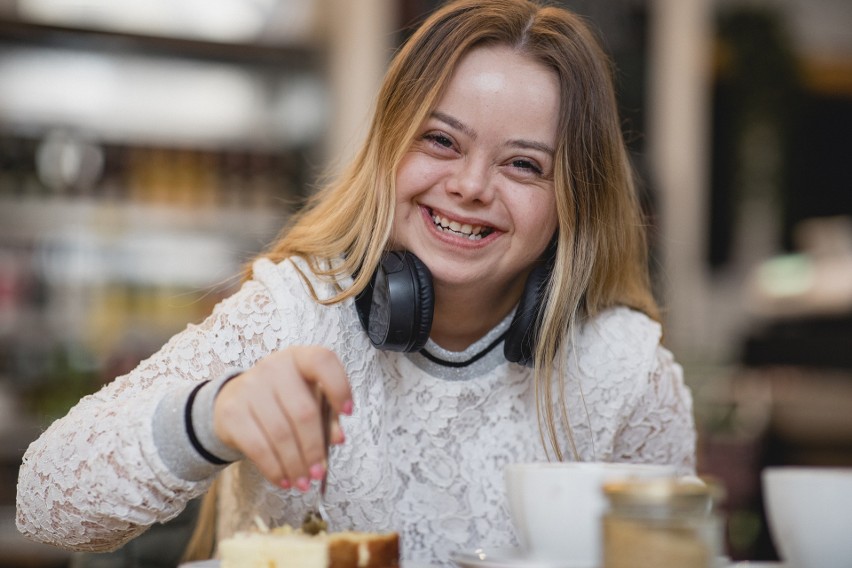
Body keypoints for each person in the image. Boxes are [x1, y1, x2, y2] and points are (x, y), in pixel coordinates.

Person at [16, 0, 697, 565]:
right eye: (441, 141)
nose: (469, 186)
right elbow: (46, 505)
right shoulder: (295, 311)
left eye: (523, 165)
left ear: (574, 197)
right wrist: (214, 413)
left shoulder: (624, 370)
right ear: (389, 148)